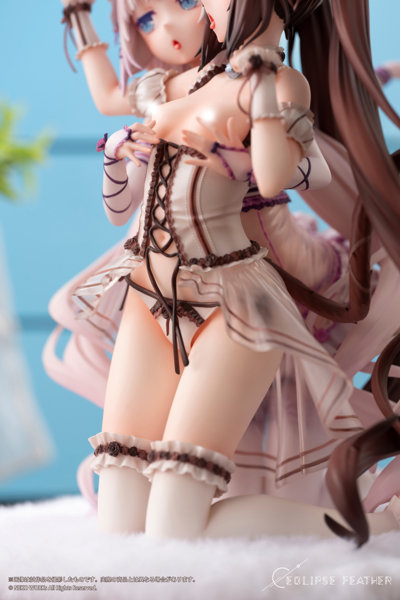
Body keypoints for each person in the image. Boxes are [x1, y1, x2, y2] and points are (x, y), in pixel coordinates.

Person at [68, 0, 400, 545]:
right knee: (120, 519)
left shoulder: (280, 84)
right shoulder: (172, 83)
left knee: (174, 527)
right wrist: (117, 156)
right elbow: (118, 209)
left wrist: (250, 122)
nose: (204, 6)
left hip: (235, 303)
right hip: (148, 294)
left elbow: (280, 176)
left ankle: (380, 525)